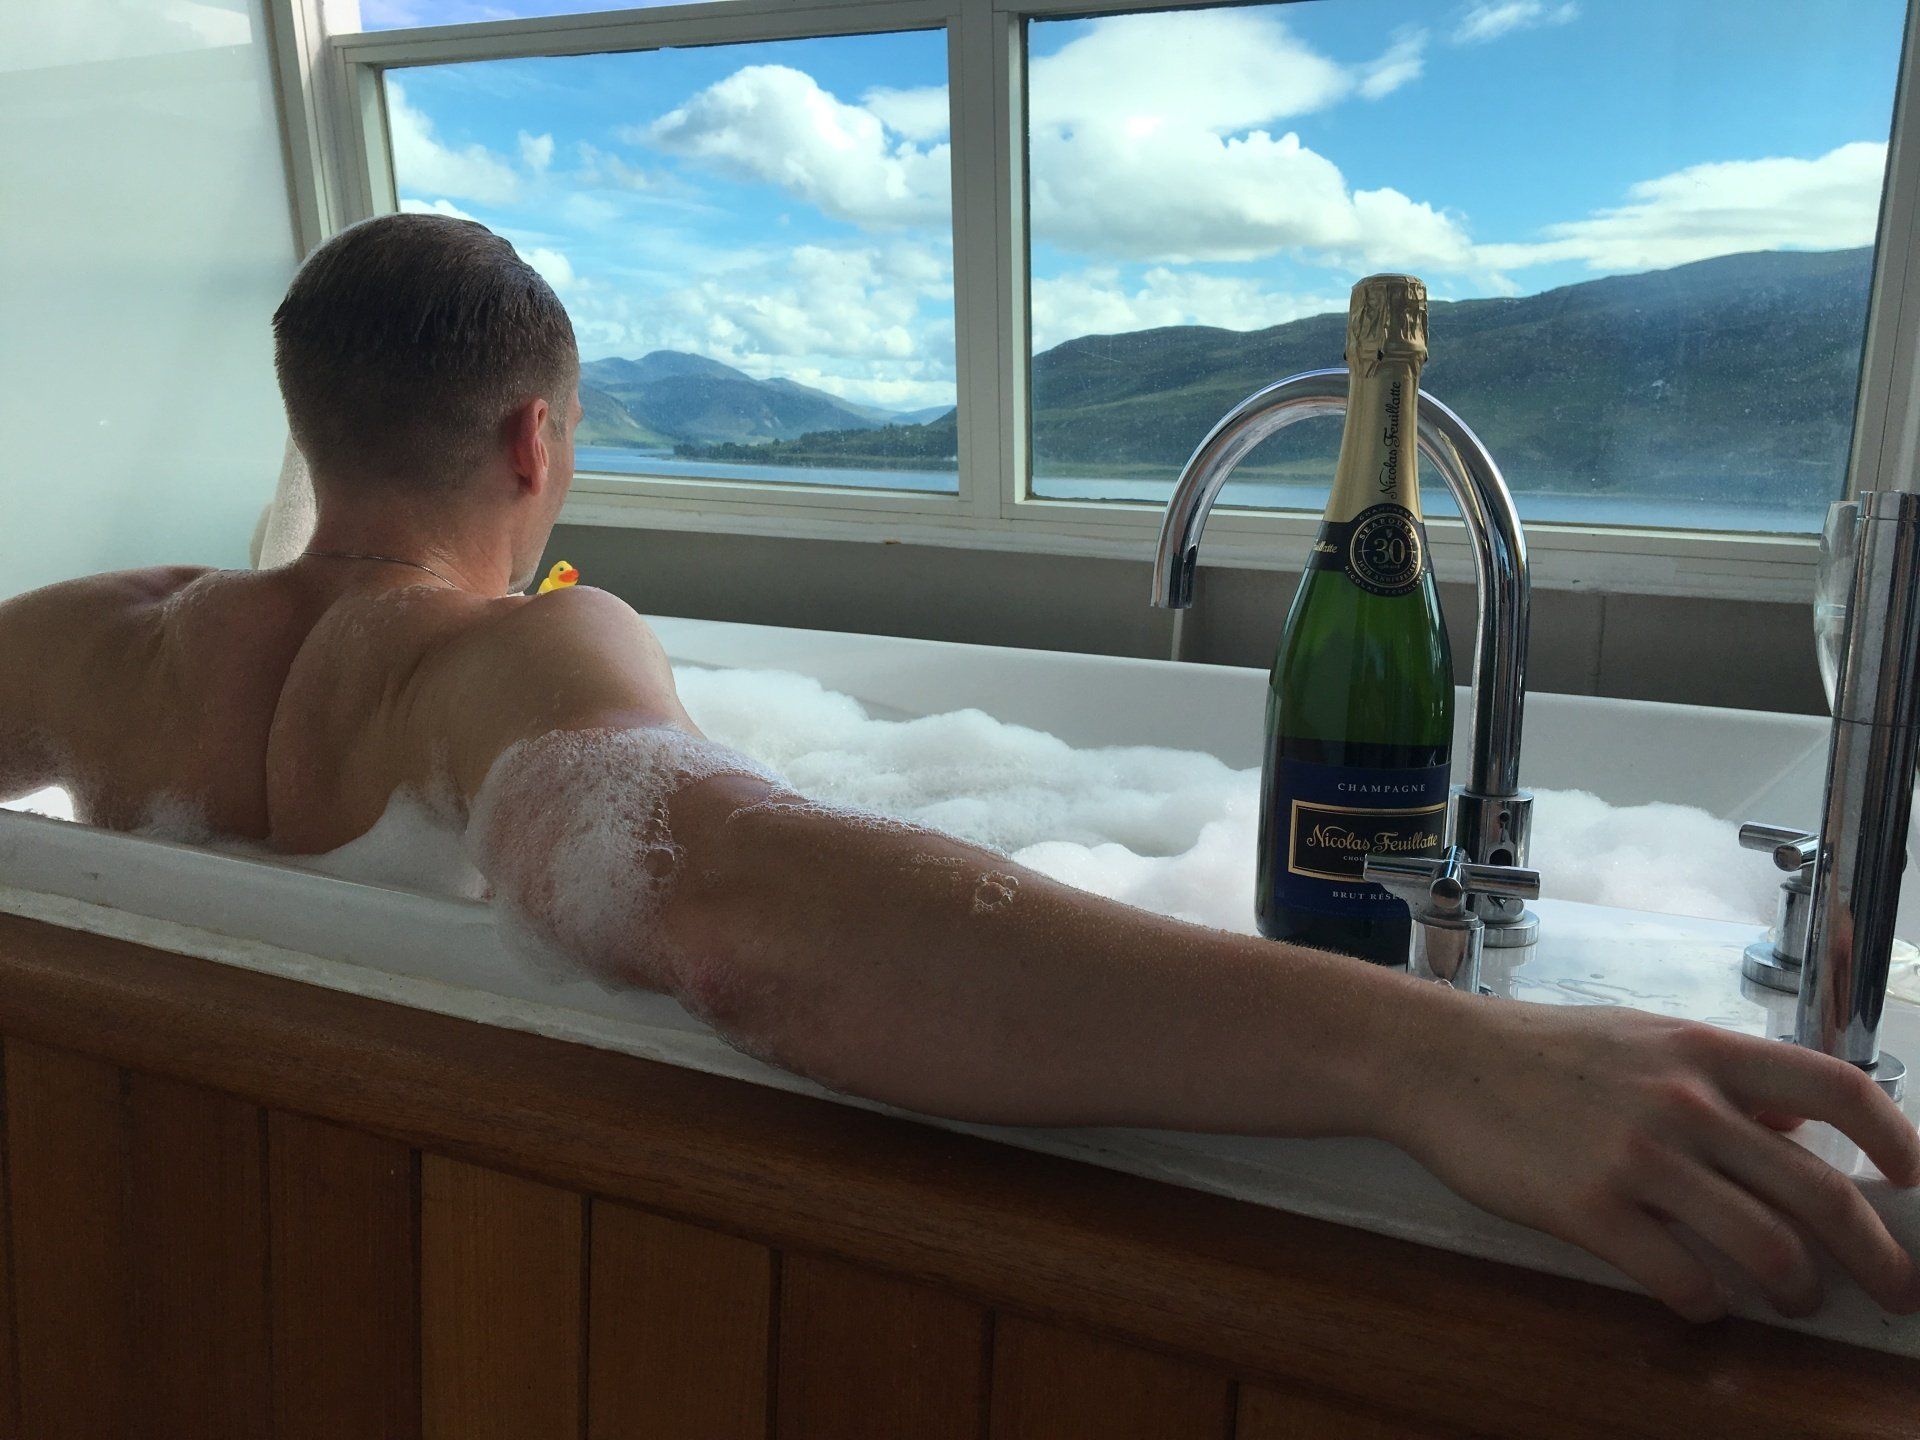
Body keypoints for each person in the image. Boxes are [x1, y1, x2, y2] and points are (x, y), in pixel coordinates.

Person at [1, 213, 1914, 1327]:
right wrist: (1425, 1049)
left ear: (306, 423)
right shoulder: (518, 654)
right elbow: (733, 905)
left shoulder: (99, 638)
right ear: (534, 441)